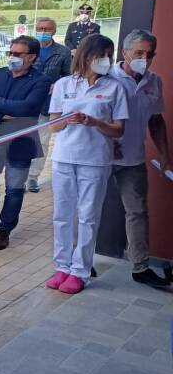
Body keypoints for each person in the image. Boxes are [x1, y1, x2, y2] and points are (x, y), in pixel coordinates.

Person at [46, 33, 129, 294]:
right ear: (86, 55)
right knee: (62, 215)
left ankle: (80, 270)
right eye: (101, 55)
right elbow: (53, 126)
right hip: (64, 158)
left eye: (109, 55)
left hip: (95, 161)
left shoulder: (115, 88)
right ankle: (62, 266)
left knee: (87, 217)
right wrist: (68, 119)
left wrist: (95, 122)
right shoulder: (63, 85)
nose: (105, 61)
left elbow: (118, 130)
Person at [0, 36, 50, 251]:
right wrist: (4, 113)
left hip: (21, 141)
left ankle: (4, 231)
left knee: (14, 188)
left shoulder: (40, 81)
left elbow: (28, 109)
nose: (12, 57)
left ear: (31, 57)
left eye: (17, 54)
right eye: (10, 53)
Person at [111, 29, 170, 288]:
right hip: (101, 157)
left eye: (149, 54)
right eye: (138, 53)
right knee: (86, 210)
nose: (144, 59)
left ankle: (140, 266)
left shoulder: (154, 81)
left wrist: (164, 154)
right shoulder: (106, 78)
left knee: (137, 211)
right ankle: (80, 262)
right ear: (124, 52)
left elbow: (156, 121)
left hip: (133, 159)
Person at [27, 18, 73, 192]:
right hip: (26, 104)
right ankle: (19, 174)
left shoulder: (62, 52)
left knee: (42, 142)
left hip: (47, 105)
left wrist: (58, 84)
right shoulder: (28, 49)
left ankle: (32, 177)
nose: (43, 31)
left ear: (54, 31)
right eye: (39, 28)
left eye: (47, 29)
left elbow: (69, 76)